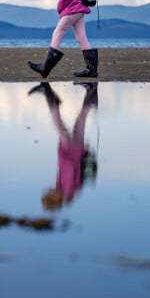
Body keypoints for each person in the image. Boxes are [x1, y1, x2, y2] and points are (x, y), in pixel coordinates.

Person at [29, 82, 98, 211]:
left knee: (81, 118)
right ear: (56, 199)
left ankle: (92, 90)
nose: (50, 190)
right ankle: (51, 98)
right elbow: (69, 168)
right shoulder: (67, 187)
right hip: (70, 150)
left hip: (78, 150)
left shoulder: (68, 189)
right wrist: (64, 156)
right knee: (58, 123)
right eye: (50, 194)